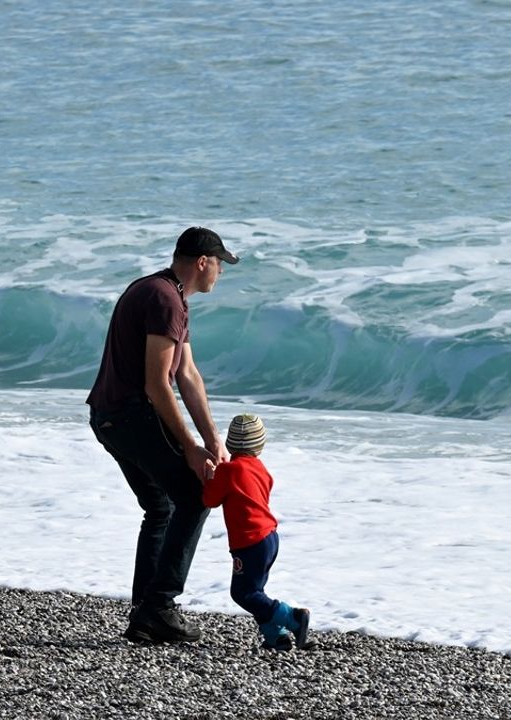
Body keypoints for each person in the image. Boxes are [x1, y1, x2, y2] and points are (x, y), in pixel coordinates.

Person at [87, 226, 238, 644]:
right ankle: (160, 605)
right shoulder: (164, 299)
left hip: (110, 417)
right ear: (202, 262)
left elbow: (187, 375)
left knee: (160, 507)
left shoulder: (168, 295)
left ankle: (146, 612)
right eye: (220, 266)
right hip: (130, 416)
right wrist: (190, 448)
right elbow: (158, 384)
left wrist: (213, 441)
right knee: (193, 496)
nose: (220, 275)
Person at [202, 413, 313, 651]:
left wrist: (210, 475)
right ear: (260, 445)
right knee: (256, 591)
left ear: (230, 443)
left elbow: (210, 500)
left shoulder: (228, 471)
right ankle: (276, 637)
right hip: (269, 537)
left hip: (249, 541)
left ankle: (292, 617)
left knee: (243, 593)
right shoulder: (261, 469)